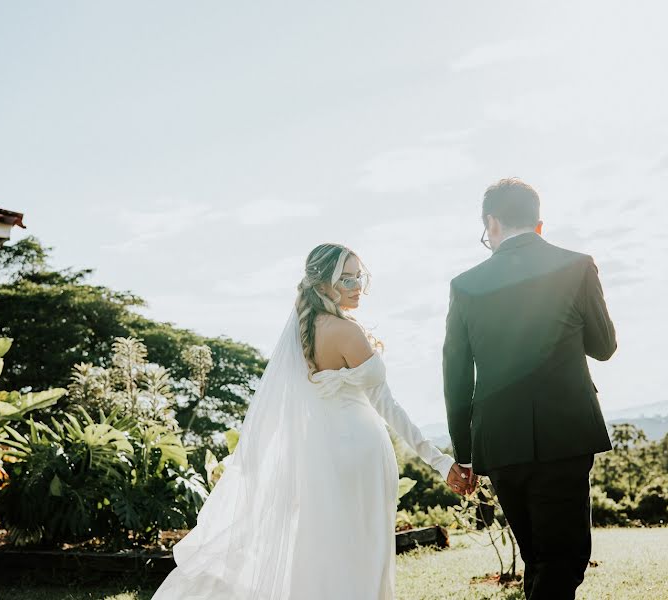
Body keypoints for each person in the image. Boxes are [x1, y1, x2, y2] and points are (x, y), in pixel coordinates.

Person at [152, 243, 471, 600]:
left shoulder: (302, 334)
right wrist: (440, 460)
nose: (355, 287)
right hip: (361, 456)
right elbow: (387, 405)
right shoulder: (348, 333)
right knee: (362, 558)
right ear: (322, 286)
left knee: (323, 557)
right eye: (345, 279)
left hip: (320, 457)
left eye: (358, 276)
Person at [443, 178, 617, 600]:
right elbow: (604, 347)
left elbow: (456, 375)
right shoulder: (577, 265)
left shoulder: (465, 285)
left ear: (492, 222)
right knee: (563, 560)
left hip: (500, 441)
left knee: (539, 558)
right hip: (565, 432)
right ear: (539, 223)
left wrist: (463, 453)